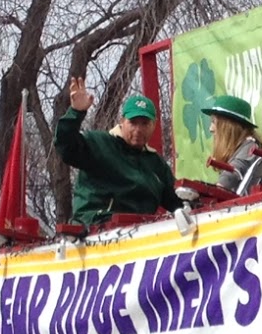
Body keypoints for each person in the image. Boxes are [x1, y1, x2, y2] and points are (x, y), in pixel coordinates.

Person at [55, 78, 181, 228]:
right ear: (122, 121)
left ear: (153, 125)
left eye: (145, 123)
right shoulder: (99, 144)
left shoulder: (156, 164)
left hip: (142, 233)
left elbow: (177, 201)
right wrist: (75, 113)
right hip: (96, 228)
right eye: (133, 122)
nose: (138, 129)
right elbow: (66, 147)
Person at [204, 95, 262, 192]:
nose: (210, 129)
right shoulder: (241, 148)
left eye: (214, 122)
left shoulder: (250, 147)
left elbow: (230, 177)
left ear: (228, 126)